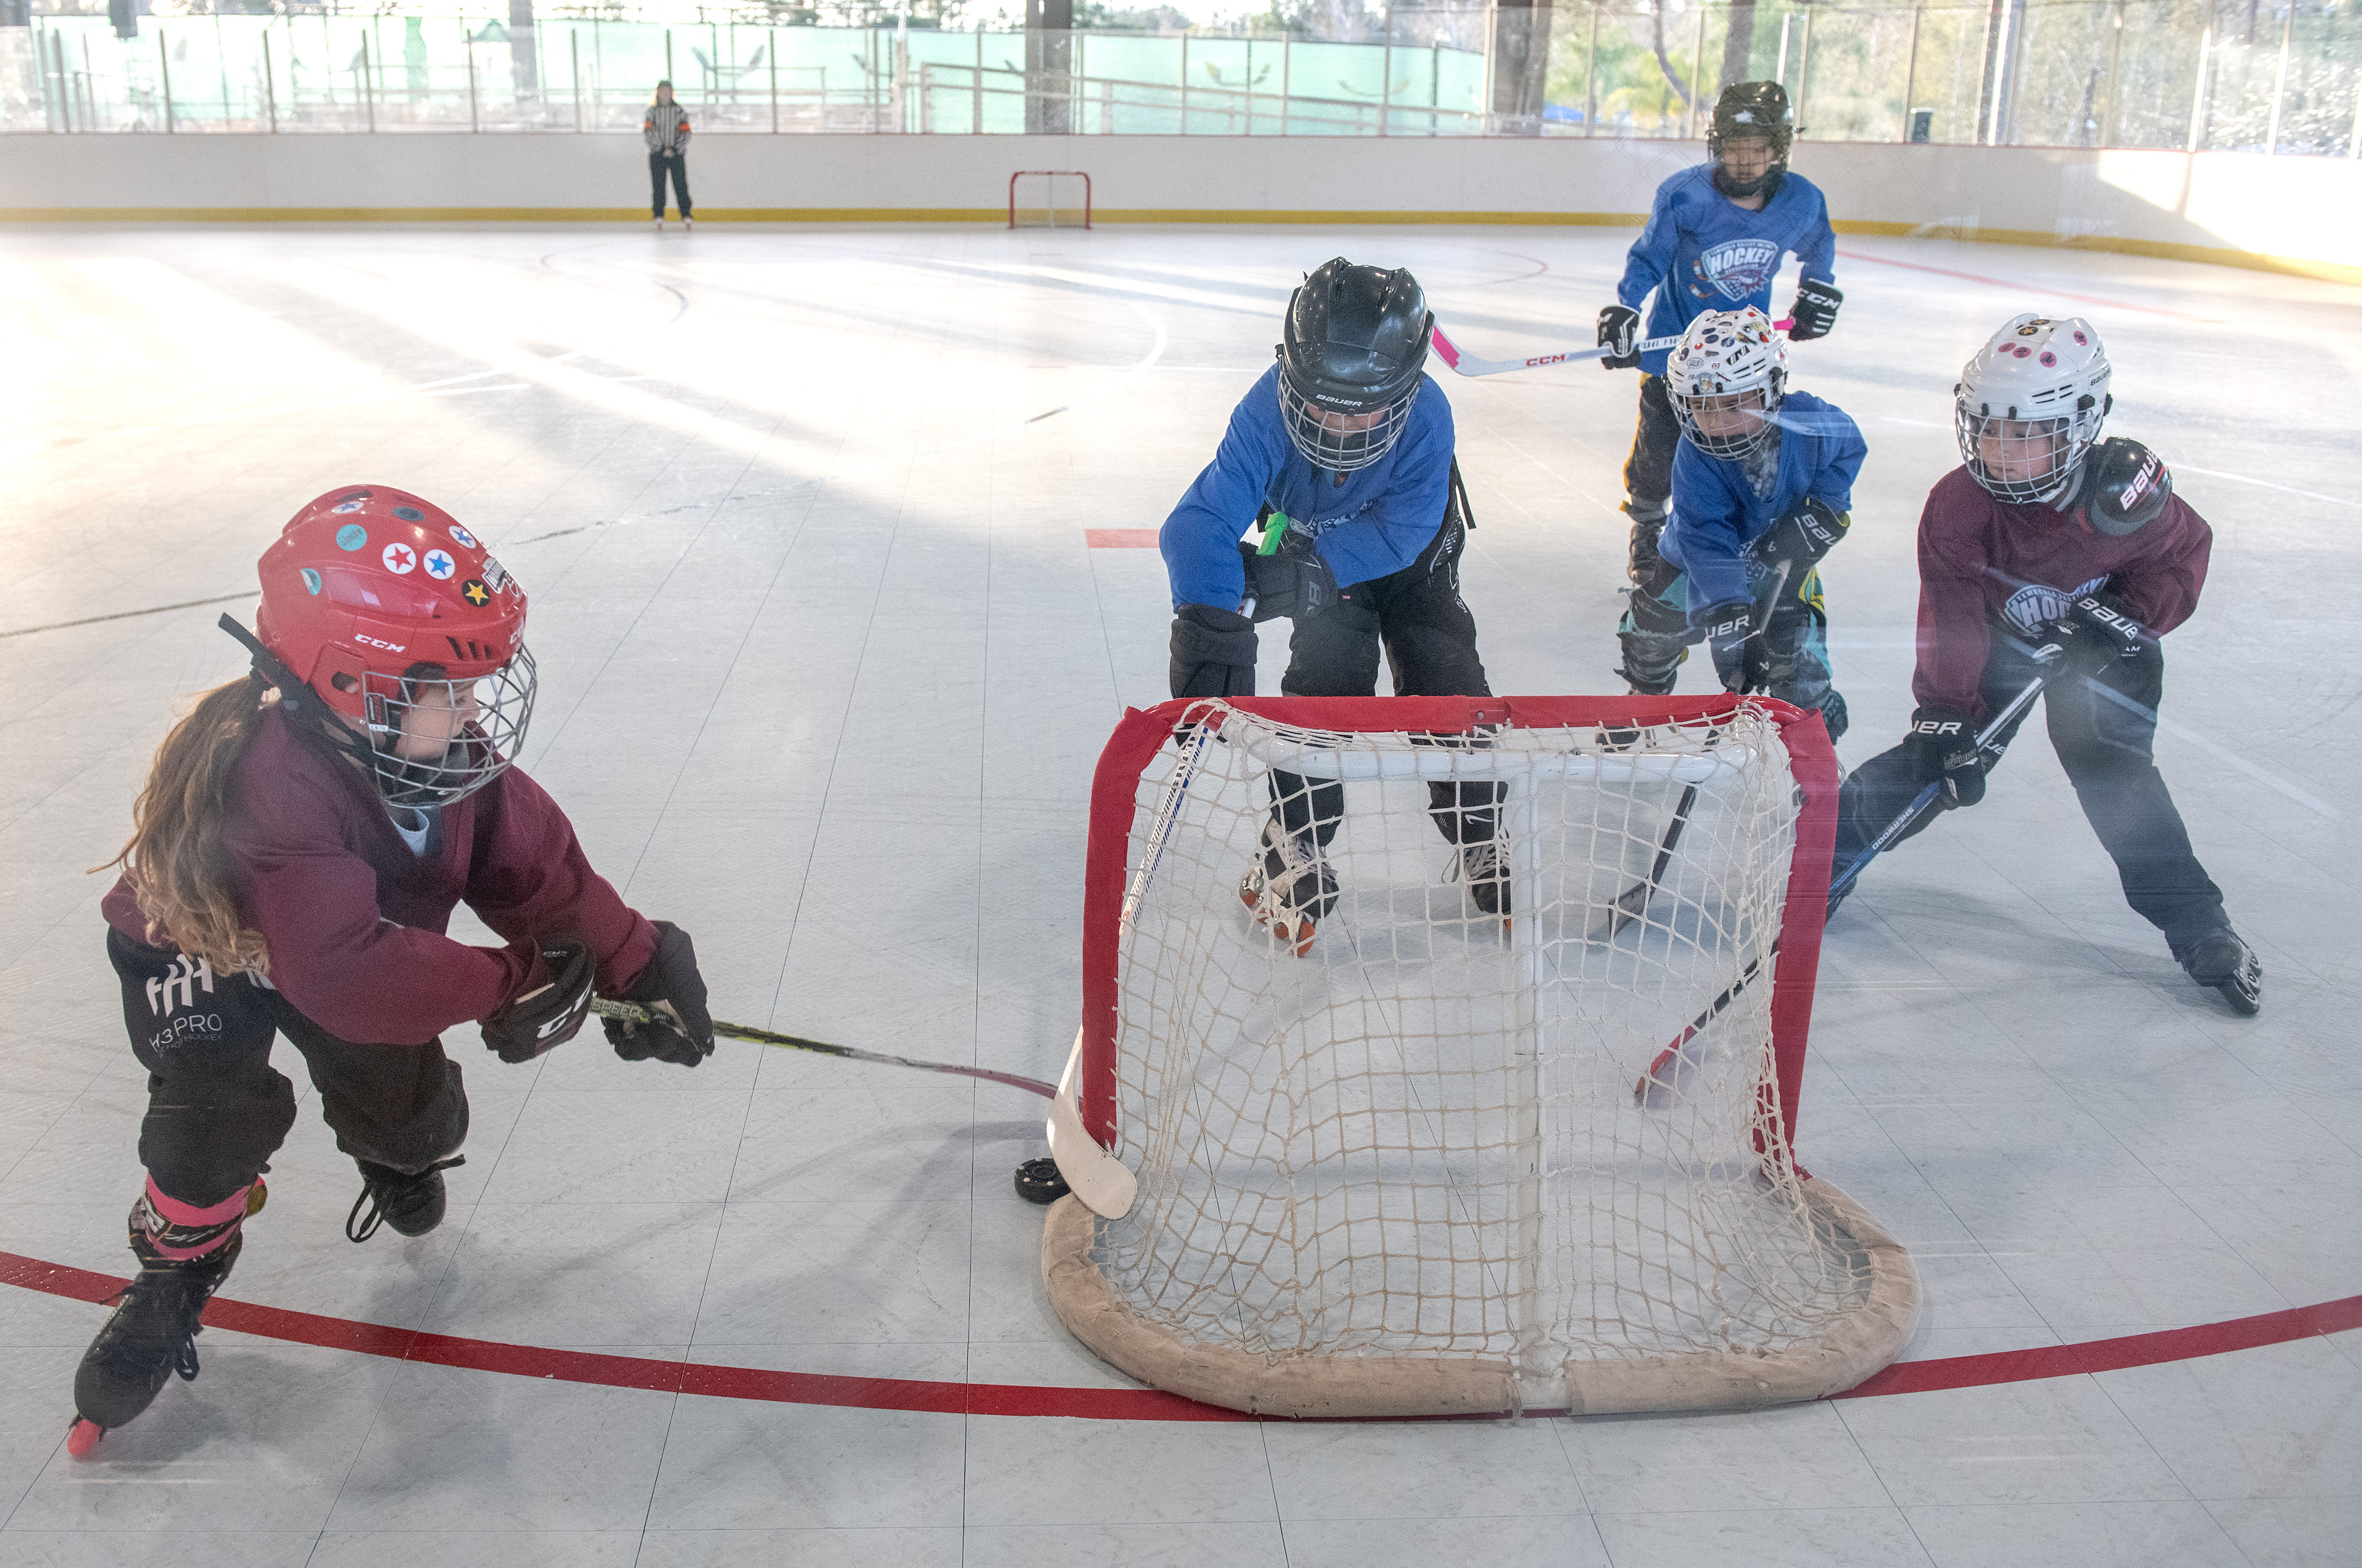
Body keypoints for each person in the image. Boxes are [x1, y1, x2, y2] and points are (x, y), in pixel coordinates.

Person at [68, 486, 717, 1458]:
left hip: (349, 946)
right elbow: (345, 979)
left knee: (412, 1113)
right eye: (446, 688)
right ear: (348, 686)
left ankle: (399, 1149)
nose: (471, 711)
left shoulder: (437, 757)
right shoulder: (274, 788)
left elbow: (532, 866)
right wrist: (509, 983)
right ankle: (177, 1269)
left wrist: (636, 959)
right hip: (204, 951)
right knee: (209, 1124)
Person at [1829, 314, 2260, 1015]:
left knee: (2114, 776)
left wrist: (2120, 618)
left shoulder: (2124, 495)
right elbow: (1953, 614)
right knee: (1931, 766)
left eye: (2026, 433)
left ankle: (2200, 927)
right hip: (2001, 640)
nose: (2001, 451)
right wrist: (1943, 710)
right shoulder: (1958, 506)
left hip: (2106, 648)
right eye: (1991, 429)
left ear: (2079, 426)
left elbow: (2182, 560)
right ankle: (1818, 864)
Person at [1161, 257, 1502, 954]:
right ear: (1290, 375)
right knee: (1325, 684)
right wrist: (1209, 621)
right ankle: (1295, 837)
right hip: (1316, 537)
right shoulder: (1262, 412)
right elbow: (1195, 525)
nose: (1340, 429)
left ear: (1406, 389)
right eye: (1318, 406)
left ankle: (1479, 831)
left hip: (1411, 553)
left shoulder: (1429, 416)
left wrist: (1315, 575)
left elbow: (1404, 532)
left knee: (1445, 674)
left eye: (1367, 408)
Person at [1598, 81, 1841, 596]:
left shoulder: (1802, 200)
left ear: (1780, 149)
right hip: (1676, 357)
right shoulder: (1685, 194)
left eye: (1758, 150)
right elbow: (1650, 256)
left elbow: (1820, 246)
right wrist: (1626, 307)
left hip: (1747, 360)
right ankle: (1647, 527)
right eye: (1734, 147)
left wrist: (1817, 291)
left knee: (1743, 447)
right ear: (1716, 144)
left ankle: (1732, 539)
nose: (1745, 161)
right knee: (1659, 452)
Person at [1618, 306, 1861, 740]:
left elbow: (1849, 448)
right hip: (1696, 562)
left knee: (1794, 658)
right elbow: (1705, 538)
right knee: (1651, 629)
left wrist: (1823, 509)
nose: (1717, 423)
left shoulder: (1808, 420)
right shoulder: (1695, 455)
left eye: (1733, 405)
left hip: (1784, 558)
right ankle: (1644, 695)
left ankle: (1818, 746)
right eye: (1702, 407)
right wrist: (1733, 615)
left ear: (1770, 389)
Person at [645, 80, 692, 231]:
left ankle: (686, 214)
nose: (665, 94)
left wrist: (674, 149)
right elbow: (649, 132)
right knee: (658, 186)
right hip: (657, 155)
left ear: (672, 93)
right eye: (662, 91)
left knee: (681, 185)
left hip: (676, 155)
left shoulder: (679, 111)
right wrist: (661, 149)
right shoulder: (651, 112)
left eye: (668, 91)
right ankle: (658, 215)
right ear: (658, 93)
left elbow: (686, 132)